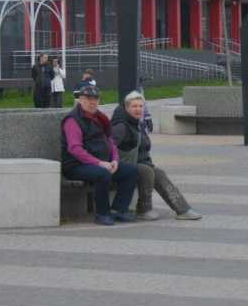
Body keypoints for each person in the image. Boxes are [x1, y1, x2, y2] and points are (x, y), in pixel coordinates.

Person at [112, 91, 202, 221]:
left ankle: (183, 209)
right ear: (127, 108)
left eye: (140, 106)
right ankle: (143, 209)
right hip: (123, 165)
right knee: (147, 171)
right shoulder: (121, 126)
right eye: (134, 106)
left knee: (159, 173)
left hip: (140, 163)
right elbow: (109, 147)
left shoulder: (138, 124)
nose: (138, 109)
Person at [61, 85, 138, 226]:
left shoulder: (100, 117)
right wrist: (99, 163)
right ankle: (102, 214)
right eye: (88, 99)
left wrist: (114, 159)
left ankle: (119, 210)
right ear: (80, 100)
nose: (92, 102)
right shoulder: (72, 120)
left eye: (95, 99)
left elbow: (110, 141)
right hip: (75, 165)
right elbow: (75, 149)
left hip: (100, 162)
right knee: (103, 174)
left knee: (131, 171)